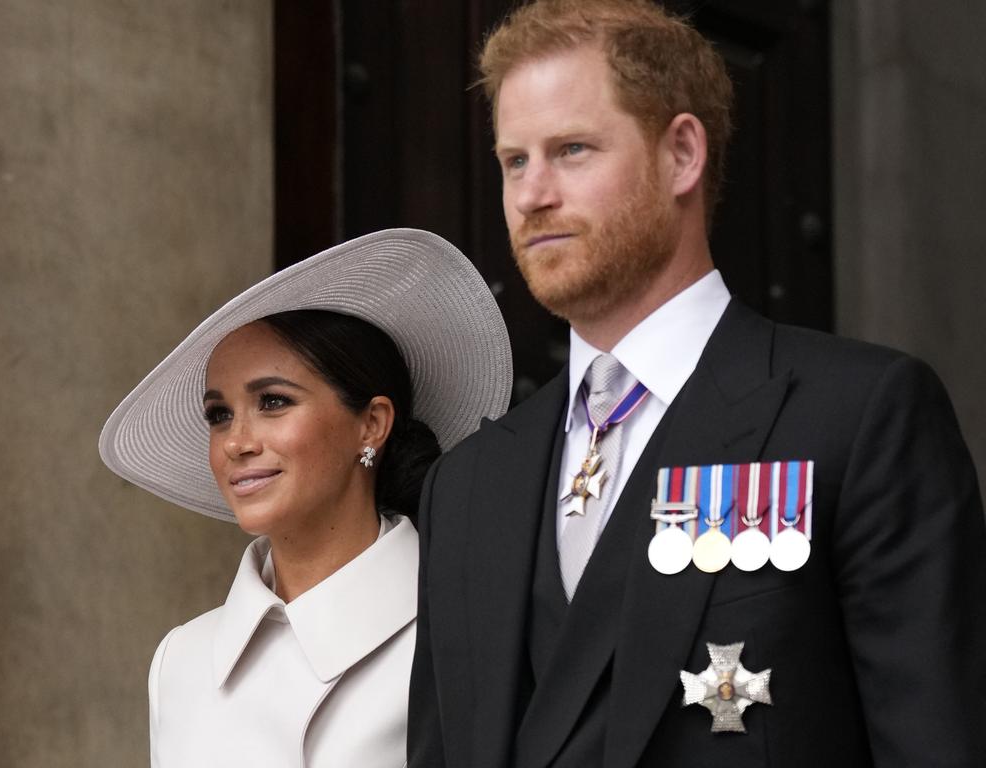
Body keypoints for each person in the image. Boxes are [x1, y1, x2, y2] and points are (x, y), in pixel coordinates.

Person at [407, 2, 986, 766]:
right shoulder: (468, 484)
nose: (530, 194)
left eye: (571, 150)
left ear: (682, 154)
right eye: (514, 160)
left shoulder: (859, 417)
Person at [99, 229, 512, 767]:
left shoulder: (471, 635)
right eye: (218, 414)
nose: (237, 442)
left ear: (372, 424)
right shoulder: (182, 661)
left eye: (273, 401)